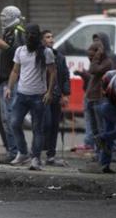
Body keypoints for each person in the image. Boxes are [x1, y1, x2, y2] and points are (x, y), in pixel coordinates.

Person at [5, 23, 56, 171]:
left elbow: (53, 72)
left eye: (32, 34)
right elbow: (15, 71)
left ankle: (36, 159)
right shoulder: (20, 51)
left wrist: (49, 92)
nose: (29, 37)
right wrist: (9, 87)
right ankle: (23, 152)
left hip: (38, 97)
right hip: (21, 95)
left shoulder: (46, 52)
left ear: (38, 36)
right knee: (14, 123)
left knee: (37, 129)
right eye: (27, 34)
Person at [0, 6, 25, 164]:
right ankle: (13, 151)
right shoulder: (9, 32)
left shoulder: (18, 32)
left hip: (11, 81)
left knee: (10, 118)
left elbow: (17, 54)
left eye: (5, 16)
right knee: (5, 118)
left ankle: (17, 152)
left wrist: (2, 45)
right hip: (3, 81)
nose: (2, 18)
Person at [41, 30, 70, 165]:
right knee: (44, 123)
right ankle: (37, 152)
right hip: (41, 95)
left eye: (52, 37)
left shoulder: (60, 57)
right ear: (42, 40)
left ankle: (50, 155)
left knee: (54, 126)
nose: (51, 39)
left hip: (56, 95)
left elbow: (65, 76)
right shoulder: (38, 56)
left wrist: (65, 94)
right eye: (48, 37)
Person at [84, 42, 113, 158]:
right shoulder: (95, 62)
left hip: (99, 99)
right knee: (95, 129)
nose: (90, 59)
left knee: (101, 129)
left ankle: (103, 155)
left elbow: (93, 70)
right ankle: (97, 152)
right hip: (91, 98)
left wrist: (97, 56)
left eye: (92, 56)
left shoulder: (107, 62)